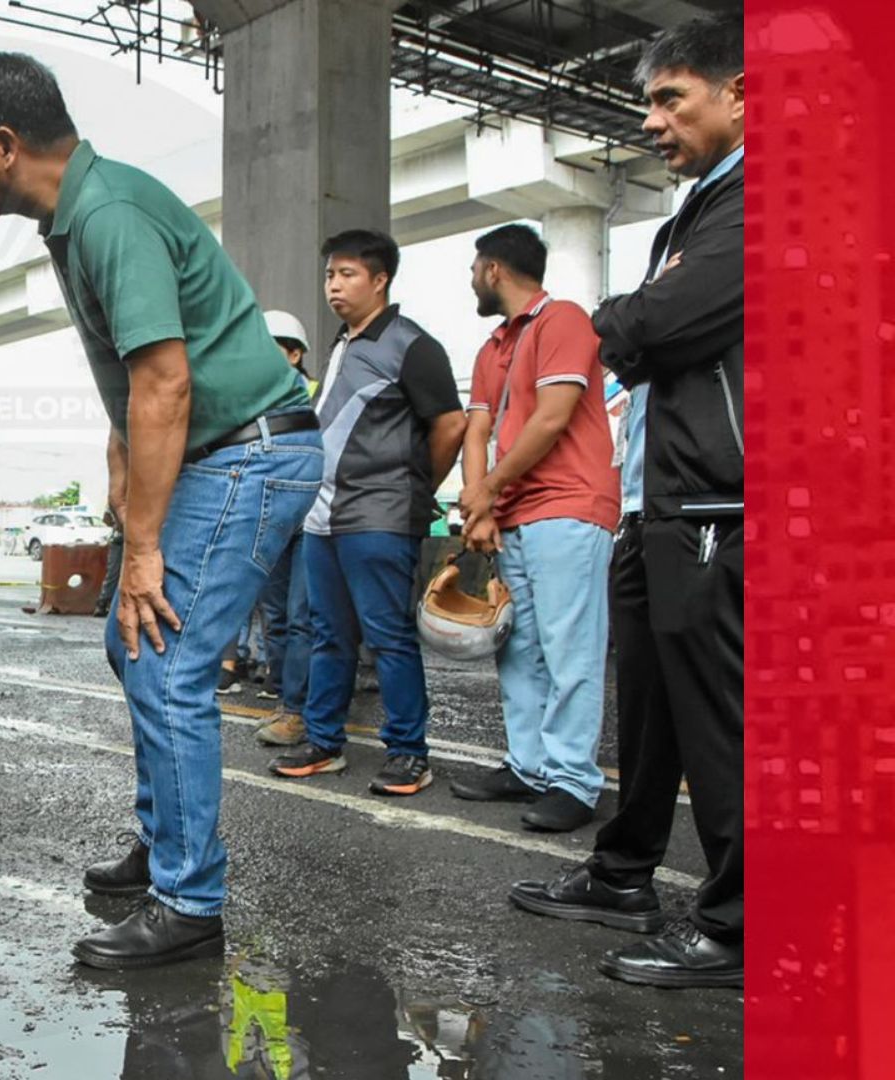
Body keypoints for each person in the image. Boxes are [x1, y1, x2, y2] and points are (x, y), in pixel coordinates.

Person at [0, 52, 323, 969]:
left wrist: (142, 546)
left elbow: (165, 382)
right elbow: (136, 377)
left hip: (249, 451)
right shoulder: (78, 217)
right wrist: (123, 472)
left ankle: (190, 903)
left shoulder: (107, 214)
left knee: (169, 659)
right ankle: (167, 838)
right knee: (131, 642)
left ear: (4, 144)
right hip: (220, 450)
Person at [509, 14, 744, 989]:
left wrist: (635, 320)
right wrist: (643, 322)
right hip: (661, 497)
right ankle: (622, 873)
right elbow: (650, 331)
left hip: (718, 504)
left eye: (670, 98)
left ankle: (741, 926)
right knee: (649, 711)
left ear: (742, 94)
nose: (651, 121)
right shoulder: (699, 209)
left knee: (720, 720)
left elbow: (661, 321)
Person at [268, 230, 466, 797]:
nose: (334, 285)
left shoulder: (411, 344)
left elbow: (451, 424)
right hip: (323, 516)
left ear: (380, 280)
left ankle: (409, 753)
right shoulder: (343, 343)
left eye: (348, 274)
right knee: (328, 634)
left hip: (380, 515)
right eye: (330, 274)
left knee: (388, 636)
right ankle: (324, 741)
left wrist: (415, 487)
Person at [447, 224, 618, 833]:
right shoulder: (492, 346)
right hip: (513, 513)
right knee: (517, 649)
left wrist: (487, 490)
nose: (471, 279)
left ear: (493, 269)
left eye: (474, 269)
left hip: (569, 506)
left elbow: (551, 418)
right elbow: (476, 432)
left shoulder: (562, 319)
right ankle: (529, 765)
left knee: (569, 649)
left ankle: (572, 780)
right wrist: (482, 509)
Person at [246, 311, 320, 748]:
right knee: (274, 617)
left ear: (295, 354)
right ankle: (285, 699)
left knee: (300, 618)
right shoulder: (254, 399)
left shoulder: (317, 395)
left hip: (310, 521)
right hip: (272, 520)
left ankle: (300, 709)